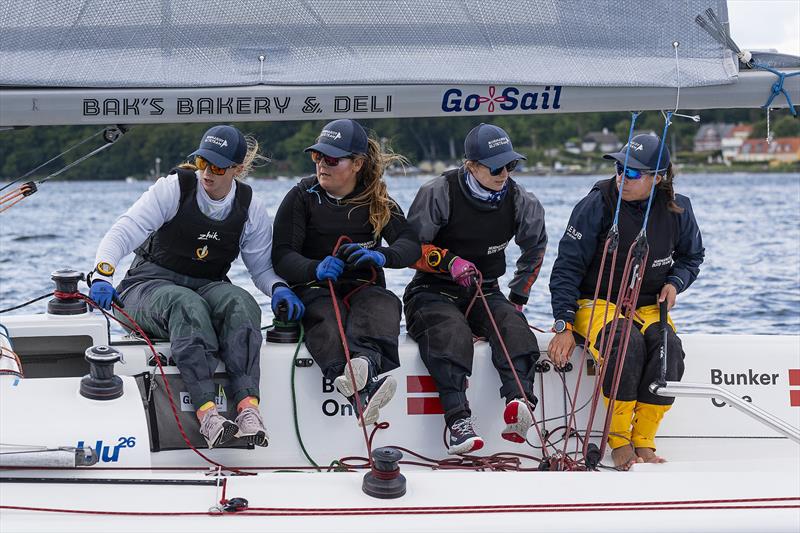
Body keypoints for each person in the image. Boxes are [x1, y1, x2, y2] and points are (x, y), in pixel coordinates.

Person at [89, 125, 304, 449]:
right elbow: (122, 233)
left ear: (237, 169)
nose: (207, 173)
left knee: (241, 302)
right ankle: (207, 414)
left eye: (218, 167)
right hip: (146, 285)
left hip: (206, 285)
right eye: (203, 162)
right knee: (185, 305)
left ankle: (248, 410)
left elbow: (261, 269)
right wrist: (103, 276)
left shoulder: (249, 208)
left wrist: (278, 289)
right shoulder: (173, 189)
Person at [548, 133, 704, 469]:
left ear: (657, 178)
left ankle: (644, 439)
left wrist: (676, 283)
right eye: (619, 168)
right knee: (626, 343)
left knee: (669, 349)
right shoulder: (596, 205)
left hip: (648, 304)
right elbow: (566, 269)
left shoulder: (679, 209)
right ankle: (618, 439)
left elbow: (692, 257)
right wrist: (563, 323)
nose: (621, 177)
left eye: (632, 173)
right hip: (597, 303)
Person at [404, 123, 547, 455]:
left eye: (510, 165)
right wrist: (448, 261)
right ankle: (458, 421)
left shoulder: (521, 200)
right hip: (431, 289)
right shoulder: (438, 192)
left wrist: (519, 297)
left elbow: (536, 249)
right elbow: (409, 250)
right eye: (496, 167)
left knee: (513, 325)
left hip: (485, 288)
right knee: (450, 331)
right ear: (471, 166)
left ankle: (519, 401)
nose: (504, 174)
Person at [271, 119, 420, 426]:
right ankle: (362, 391)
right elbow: (282, 256)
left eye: (331, 159)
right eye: (317, 157)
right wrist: (315, 267)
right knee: (326, 313)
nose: (321, 165)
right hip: (315, 287)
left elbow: (411, 246)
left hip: (363, 286)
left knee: (383, 303)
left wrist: (381, 255)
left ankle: (364, 365)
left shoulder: (377, 200)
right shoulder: (301, 197)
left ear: (357, 164)